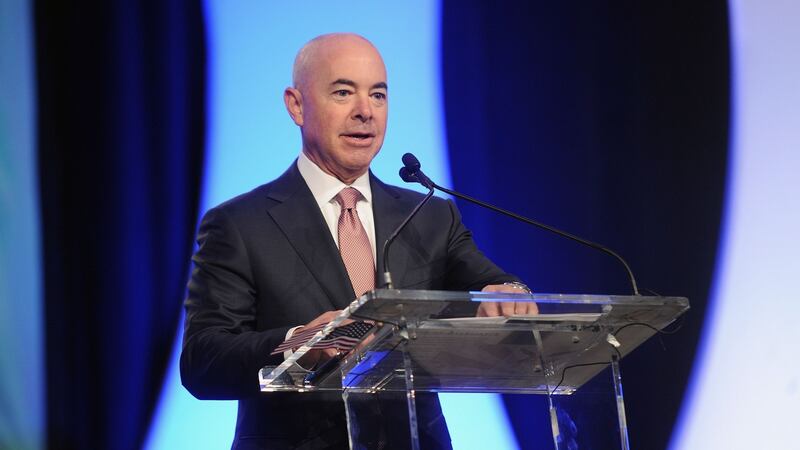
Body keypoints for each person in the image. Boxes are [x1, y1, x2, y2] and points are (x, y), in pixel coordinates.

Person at [180, 33, 537, 450]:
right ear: (296, 105)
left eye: (379, 95)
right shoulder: (239, 224)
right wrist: (300, 343)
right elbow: (203, 361)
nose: (365, 112)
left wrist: (512, 293)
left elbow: (494, 283)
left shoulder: (428, 215)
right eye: (344, 92)